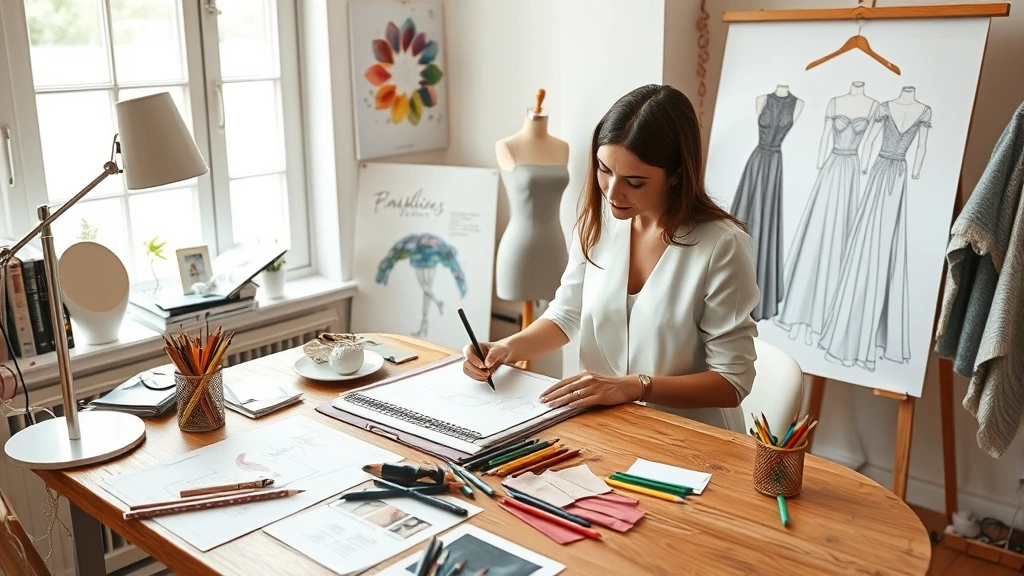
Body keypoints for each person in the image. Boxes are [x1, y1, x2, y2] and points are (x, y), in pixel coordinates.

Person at [462, 84, 760, 431]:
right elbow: (567, 314)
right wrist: (506, 348)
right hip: (606, 429)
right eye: (605, 169)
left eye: (634, 181)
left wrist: (633, 386)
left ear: (677, 174)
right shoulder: (598, 220)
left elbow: (732, 382)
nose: (613, 191)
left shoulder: (722, 245)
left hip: (690, 440)